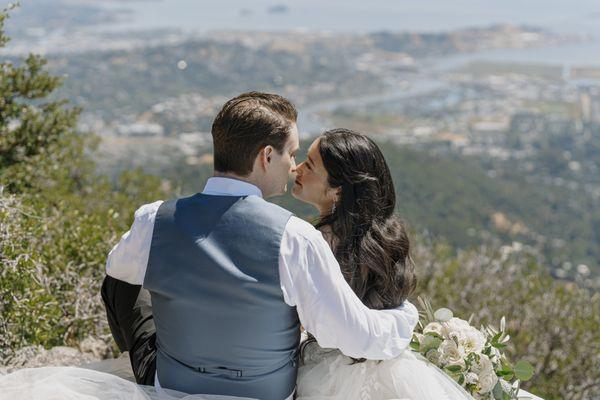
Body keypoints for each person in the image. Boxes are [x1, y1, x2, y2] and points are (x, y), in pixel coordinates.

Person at [101, 92, 419, 400]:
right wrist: (405, 316)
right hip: (264, 393)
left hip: (172, 389)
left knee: (122, 279)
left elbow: (117, 269)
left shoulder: (153, 219)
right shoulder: (295, 238)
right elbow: (357, 337)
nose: (294, 166)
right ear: (266, 156)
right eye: (292, 153)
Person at [292, 128, 474, 399]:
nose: (296, 169)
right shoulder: (386, 237)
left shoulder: (319, 243)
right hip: (391, 368)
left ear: (338, 192)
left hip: (329, 374)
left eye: (309, 164)